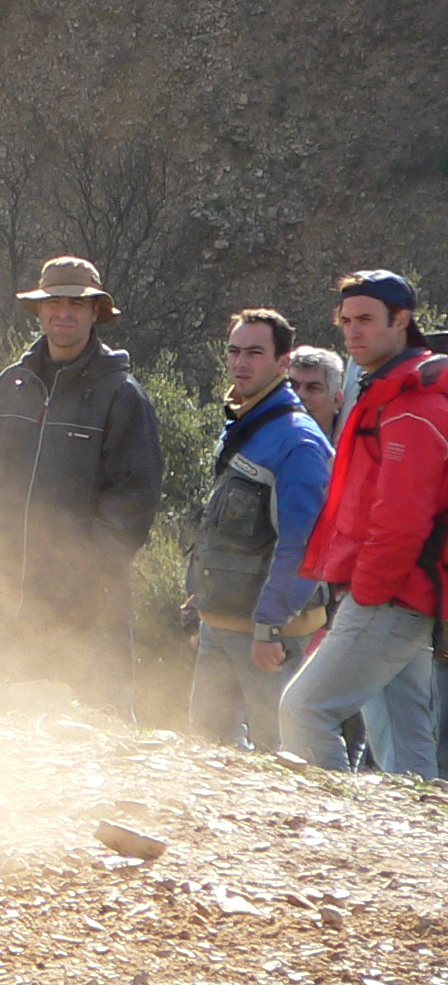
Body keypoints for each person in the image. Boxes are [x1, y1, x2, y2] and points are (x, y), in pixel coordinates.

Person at [0, 256, 165, 715]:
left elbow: (135, 499)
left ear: (96, 312)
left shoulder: (122, 394)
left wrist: (86, 568)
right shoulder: (10, 385)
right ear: (38, 312)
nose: (64, 313)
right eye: (54, 303)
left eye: (76, 305)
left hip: (91, 604)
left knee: (101, 726)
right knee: (12, 725)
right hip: (13, 591)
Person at [280, 270, 448, 776]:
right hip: (396, 591)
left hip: (389, 593)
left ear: (402, 321)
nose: (354, 332)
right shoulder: (392, 394)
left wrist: (366, 593)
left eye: (367, 320)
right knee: (401, 737)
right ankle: (416, 847)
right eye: (347, 321)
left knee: (304, 709)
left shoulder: (412, 407)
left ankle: (326, 835)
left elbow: (402, 521)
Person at [183, 307, 331, 749]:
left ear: (282, 363)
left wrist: (270, 625)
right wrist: (199, 592)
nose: (240, 363)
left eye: (254, 352)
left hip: (268, 636)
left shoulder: (297, 440)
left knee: (278, 756)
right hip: (221, 621)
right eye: (233, 351)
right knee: (210, 753)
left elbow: (302, 544)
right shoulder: (247, 424)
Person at [291, 345, 348, 441]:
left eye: (313, 388)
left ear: (337, 401)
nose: (300, 395)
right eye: (293, 386)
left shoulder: (351, 450)